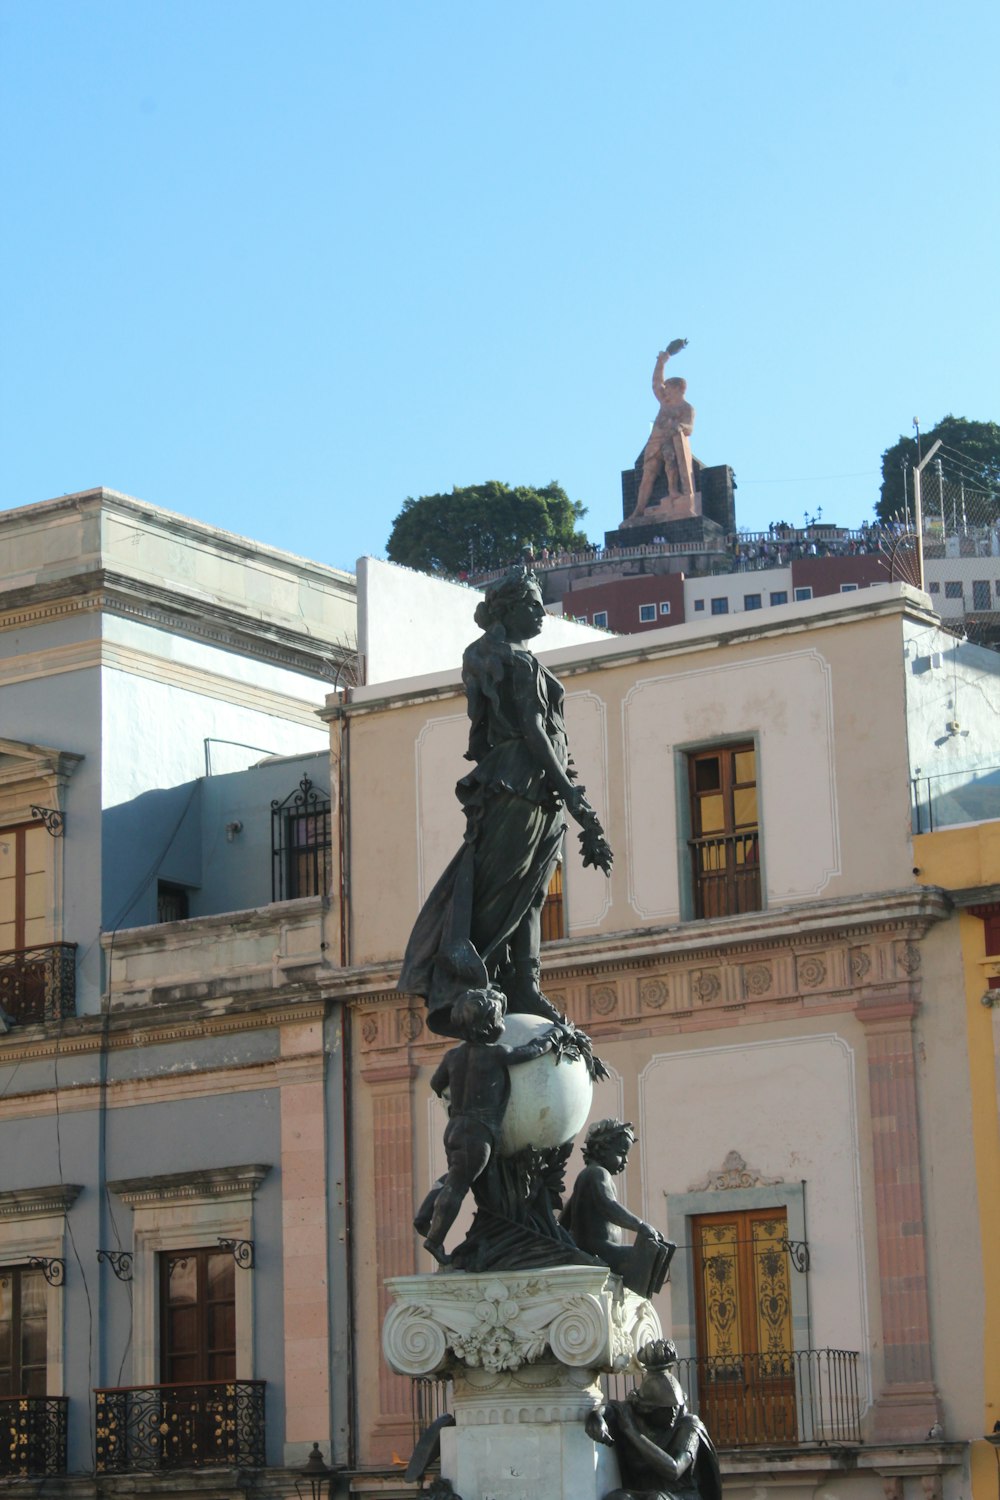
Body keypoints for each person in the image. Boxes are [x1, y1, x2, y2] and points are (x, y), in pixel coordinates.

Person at [398, 568, 612, 1042]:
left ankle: (524, 983)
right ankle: (473, 982)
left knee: (531, 892)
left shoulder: (519, 658)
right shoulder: (505, 659)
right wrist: (577, 802)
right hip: (518, 782)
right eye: (531, 603)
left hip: (541, 789)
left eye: (540, 603)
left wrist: (569, 794)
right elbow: (534, 731)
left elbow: (553, 738)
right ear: (506, 609)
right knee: (504, 891)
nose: (540, 612)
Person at [414, 983, 565, 1264]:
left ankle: (425, 1216)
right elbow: (531, 1051)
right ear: (489, 1027)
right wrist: (555, 1035)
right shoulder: (496, 1054)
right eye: (499, 1021)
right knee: (459, 1185)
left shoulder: (453, 1056)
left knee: (458, 1176)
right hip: (479, 1131)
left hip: (456, 1127)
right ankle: (435, 1241)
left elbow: (437, 1084)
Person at [586, 1339, 721, 1500]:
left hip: (683, 1496)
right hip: (646, 1492)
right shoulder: (633, 1413)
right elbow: (611, 1409)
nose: (672, 1414)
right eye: (664, 1409)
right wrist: (596, 1416)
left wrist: (633, 1433)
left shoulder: (689, 1426)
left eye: (675, 1407)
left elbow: (674, 1469)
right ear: (646, 1408)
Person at [561, 1120, 675, 1296]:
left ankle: (630, 1299)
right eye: (621, 1153)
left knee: (656, 1252)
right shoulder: (597, 1173)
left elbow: (564, 1219)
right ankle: (632, 1302)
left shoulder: (588, 1175)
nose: (626, 1161)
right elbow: (609, 1206)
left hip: (599, 1249)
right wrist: (641, 1225)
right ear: (601, 1149)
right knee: (650, 1254)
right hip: (600, 1251)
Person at [632, 343, 696, 518]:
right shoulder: (665, 402)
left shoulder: (686, 408)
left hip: (671, 442)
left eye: (669, 388)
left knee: (671, 462)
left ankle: (673, 491)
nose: (665, 390)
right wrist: (661, 361)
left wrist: (680, 426)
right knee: (647, 476)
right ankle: (639, 509)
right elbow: (656, 383)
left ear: (677, 389)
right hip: (654, 443)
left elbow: (689, 428)